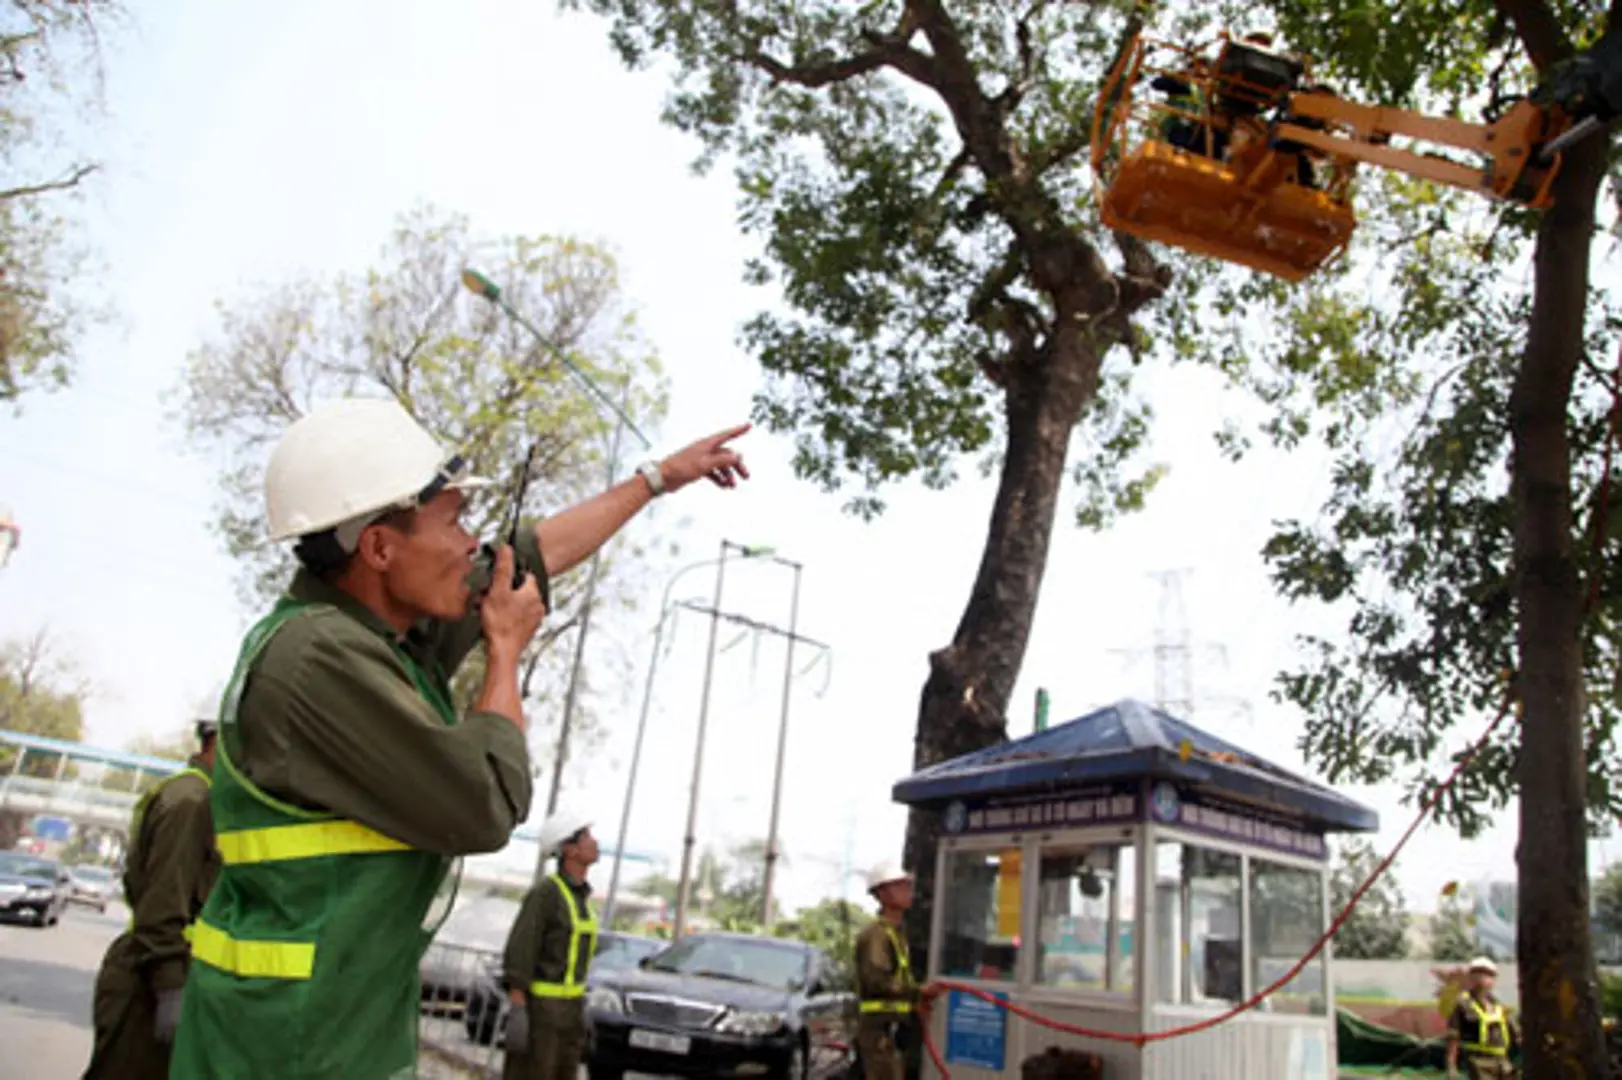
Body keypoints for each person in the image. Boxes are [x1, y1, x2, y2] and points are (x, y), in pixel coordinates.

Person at [167, 397, 750, 1080]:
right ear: (380, 547)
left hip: (328, 1022)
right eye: (455, 521)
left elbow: (527, 558)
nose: (472, 542)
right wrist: (504, 653)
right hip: (291, 1043)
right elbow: (487, 802)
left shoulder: (372, 634)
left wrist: (657, 480)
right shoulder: (321, 658)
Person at [83, 720, 220, 1080]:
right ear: (218, 740)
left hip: (158, 975)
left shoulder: (200, 795)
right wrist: (170, 988)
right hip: (148, 983)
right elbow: (161, 906)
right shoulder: (192, 801)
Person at [500, 809, 601, 1080]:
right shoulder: (546, 894)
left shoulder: (582, 899)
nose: (594, 842)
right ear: (569, 850)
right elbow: (521, 950)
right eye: (586, 836)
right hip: (542, 1014)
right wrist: (518, 1009)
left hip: (571, 1013)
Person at [855, 862, 941, 1080]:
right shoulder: (876, 935)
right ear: (882, 894)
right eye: (900, 886)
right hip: (879, 1031)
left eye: (908, 886)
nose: (908, 891)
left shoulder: (896, 934)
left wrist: (915, 1003)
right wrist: (918, 992)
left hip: (893, 1028)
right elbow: (877, 980)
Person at [1446, 956, 1519, 1079]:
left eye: (1488, 974)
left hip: (1503, 1062)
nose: (1483, 978)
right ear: (1471, 977)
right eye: (1478, 973)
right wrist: (1451, 1066)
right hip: (1478, 1062)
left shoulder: (1499, 1006)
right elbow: (1453, 1036)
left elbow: (1516, 1035)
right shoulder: (1463, 1004)